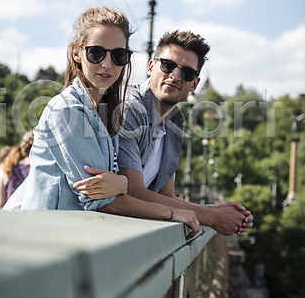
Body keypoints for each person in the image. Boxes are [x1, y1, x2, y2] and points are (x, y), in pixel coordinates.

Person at [20, 6, 201, 298]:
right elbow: (103, 198)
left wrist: (119, 183)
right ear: (76, 53)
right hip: (46, 256)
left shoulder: (101, 114)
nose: (108, 64)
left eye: (119, 55)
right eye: (97, 53)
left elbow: (117, 185)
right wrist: (172, 212)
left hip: (73, 259)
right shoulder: (69, 110)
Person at [83, 30, 253, 235]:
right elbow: (133, 191)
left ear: (195, 84)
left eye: (187, 73)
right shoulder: (128, 108)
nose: (175, 76)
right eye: (167, 65)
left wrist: (216, 210)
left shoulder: (175, 121)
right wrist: (213, 217)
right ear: (151, 67)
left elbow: (166, 195)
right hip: (94, 229)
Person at [0, 130, 33, 208]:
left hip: (10, 212)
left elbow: (1, 203)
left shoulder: (10, 168)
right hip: (30, 212)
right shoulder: (38, 168)